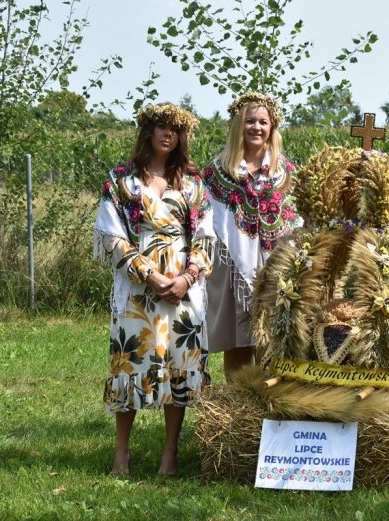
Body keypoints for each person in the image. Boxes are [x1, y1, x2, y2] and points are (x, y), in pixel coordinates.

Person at [94, 103, 215, 475]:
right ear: (146, 132)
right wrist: (151, 275)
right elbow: (112, 237)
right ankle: (121, 454)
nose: (168, 134)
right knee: (131, 363)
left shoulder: (192, 182)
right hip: (137, 291)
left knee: (178, 366)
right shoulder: (121, 181)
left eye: (175, 130)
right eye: (161, 127)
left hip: (182, 291)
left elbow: (206, 236)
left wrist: (186, 277)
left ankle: (169, 455)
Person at [202, 92, 301, 377]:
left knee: (272, 341)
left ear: (272, 128)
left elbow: (298, 219)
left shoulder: (286, 172)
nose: (256, 128)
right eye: (249, 121)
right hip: (231, 266)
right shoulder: (218, 170)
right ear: (238, 125)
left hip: (277, 266)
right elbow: (207, 219)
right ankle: (239, 410)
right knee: (238, 342)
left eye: (263, 122)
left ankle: (269, 411)